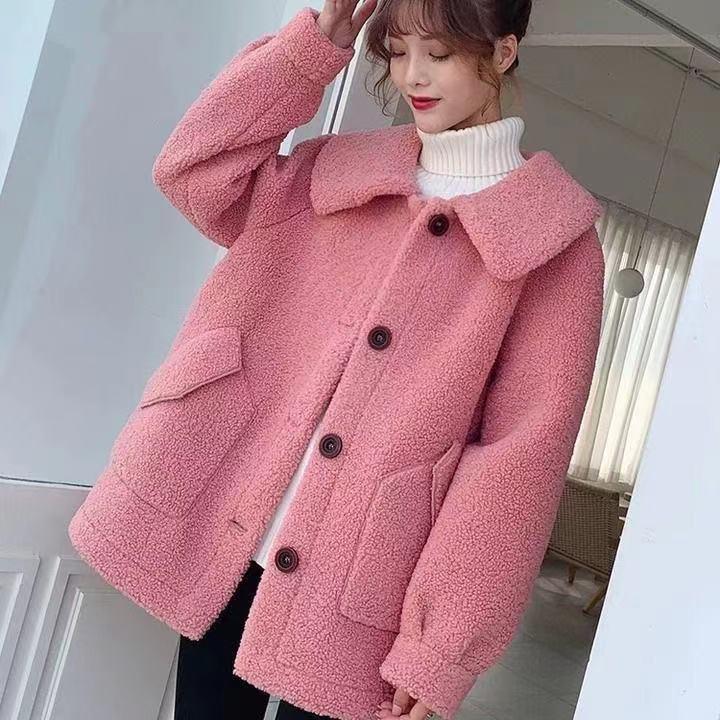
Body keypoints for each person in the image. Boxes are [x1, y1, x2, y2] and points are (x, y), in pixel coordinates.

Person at [68, 1, 606, 719]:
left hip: (363, 583)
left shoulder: (552, 244)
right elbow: (194, 173)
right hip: (231, 541)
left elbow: (518, 462)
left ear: (503, 53)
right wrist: (308, 53)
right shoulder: (333, 173)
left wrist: (442, 645)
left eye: (439, 54)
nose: (412, 77)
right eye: (399, 52)